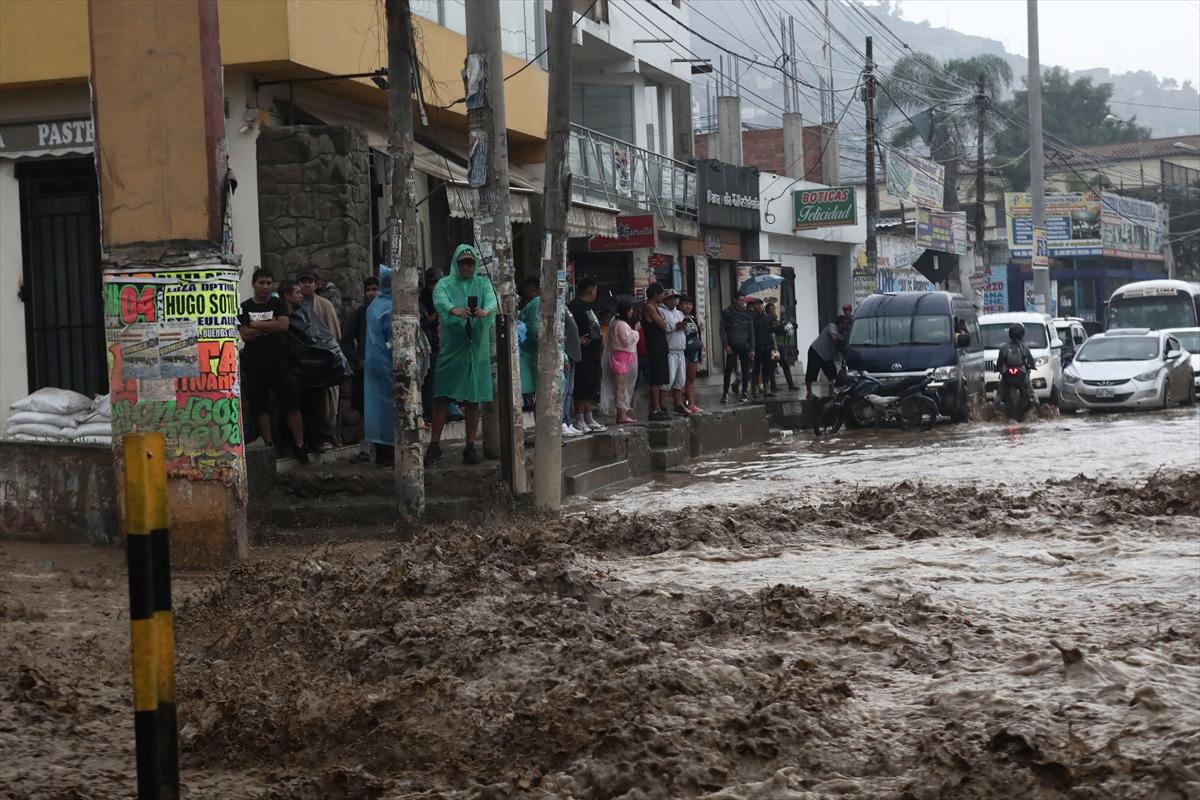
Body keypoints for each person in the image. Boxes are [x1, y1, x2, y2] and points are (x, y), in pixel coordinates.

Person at [427, 244, 496, 466]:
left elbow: (492, 301)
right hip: (452, 349)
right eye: (463, 262)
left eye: (470, 262)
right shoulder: (444, 284)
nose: (466, 266)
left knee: (472, 399)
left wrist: (485, 311)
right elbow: (440, 300)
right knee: (442, 396)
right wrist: (453, 310)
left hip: (477, 350)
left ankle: (470, 446)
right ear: (456, 264)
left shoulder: (483, 283)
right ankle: (434, 446)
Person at [239, 268, 307, 463]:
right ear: (254, 284)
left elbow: (283, 325)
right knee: (261, 407)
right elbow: (245, 334)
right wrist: (270, 325)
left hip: (279, 363)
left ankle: (300, 444)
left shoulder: (279, 304)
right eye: (262, 283)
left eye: (269, 283)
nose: (266, 287)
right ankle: (268, 444)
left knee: (291, 405)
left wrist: (257, 325)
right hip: (255, 365)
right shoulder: (244, 307)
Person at [298, 272, 342, 451]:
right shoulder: (296, 305)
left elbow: (334, 334)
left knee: (328, 401)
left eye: (310, 282)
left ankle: (329, 436)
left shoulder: (324, 305)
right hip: (302, 362)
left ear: (316, 285)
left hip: (323, 360)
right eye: (303, 281)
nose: (306, 285)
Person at [342, 275, 380, 462]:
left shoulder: (389, 312)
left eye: (375, 289)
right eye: (369, 289)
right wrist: (359, 361)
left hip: (386, 370)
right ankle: (365, 449)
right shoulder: (359, 314)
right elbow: (346, 342)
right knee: (366, 410)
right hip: (365, 371)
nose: (372, 293)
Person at [569, 279, 606, 432]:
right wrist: (576, 339)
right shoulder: (574, 307)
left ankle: (589, 416)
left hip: (594, 353)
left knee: (592, 385)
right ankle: (579, 418)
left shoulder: (591, 308)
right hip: (582, 353)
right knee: (581, 385)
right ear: (592, 291)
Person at [601, 299, 640, 424]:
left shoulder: (616, 323)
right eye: (630, 309)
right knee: (620, 388)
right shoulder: (621, 325)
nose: (632, 312)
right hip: (620, 358)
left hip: (620, 357)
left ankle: (621, 413)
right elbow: (627, 341)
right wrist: (636, 331)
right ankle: (621, 414)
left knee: (620, 387)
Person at [640, 283, 672, 420]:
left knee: (660, 378)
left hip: (660, 345)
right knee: (655, 378)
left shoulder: (656, 308)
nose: (663, 296)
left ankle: (658, 405)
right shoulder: (649, 307)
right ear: (656, 294)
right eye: (662, 293)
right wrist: (663, 321)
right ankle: (655, 408)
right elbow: (663, 325)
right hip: (654, 346)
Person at [720, 292, 755, 404]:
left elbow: (751, 332)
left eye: (743, 300)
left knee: (745, 370)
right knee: (728, 370)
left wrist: (752, 349)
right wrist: (726, 344)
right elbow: (722, 330)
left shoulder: (747, 313)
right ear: (734, 300)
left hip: (745, 346)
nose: (742, 303)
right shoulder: (727, 312)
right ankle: (725, 392)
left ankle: (744, 392)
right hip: (732, 345)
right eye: (740, 300)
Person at [419, 268, 444, 422]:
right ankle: (429, 411)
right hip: (427, 345)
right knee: (428, 381)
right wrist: (430, 320)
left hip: (436, 344)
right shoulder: (424, 300)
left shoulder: (440, 297)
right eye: (432, 283)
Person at [660, 289, 690, 416]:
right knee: (667, 381)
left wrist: (685, 327)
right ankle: (661, 405)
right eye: (671, 298)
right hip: (669, 351)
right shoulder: (661, 311)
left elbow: (686, 331)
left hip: (680, 351)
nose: (673, 301)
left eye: (675, 298)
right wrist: (674, 327)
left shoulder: (679, 313)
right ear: (665, 299)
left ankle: (678, 404)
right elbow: (663, 327)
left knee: (680, 380)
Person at [806, 314, 850, 398]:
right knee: (811, 373)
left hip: (827, 356)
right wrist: (842, 341)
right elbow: (834, 338)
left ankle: (831, 392)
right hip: (816, 351)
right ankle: (809, 393)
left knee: (832, 373)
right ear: (840, 324)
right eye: (845, 323)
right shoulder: (832, 326)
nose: (847, 326)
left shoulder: (844, 334)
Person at [996, 322, 1038, 409]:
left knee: (999, 393)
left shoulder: (1004, 347)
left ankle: (993, 409)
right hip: (1021, 373)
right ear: (1022, 334)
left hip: (1007, 373)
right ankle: (1036, 403)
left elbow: (999, 361)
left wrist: (997, 369)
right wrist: (1033, 366)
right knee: (1031, 391)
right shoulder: (1024, 347)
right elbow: (1031, 360)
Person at [517, 276, 541, 406]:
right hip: (528, 352)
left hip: (532, 352)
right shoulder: (533, 304)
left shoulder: (536, 303)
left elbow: (534, 328)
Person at [766, 302, 798, 393]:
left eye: (774, 309)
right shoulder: (769, 320)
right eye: (771, 309)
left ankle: (791, 384)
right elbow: (772, 332)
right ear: (768, 311)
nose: (773, 311)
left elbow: (782, 331)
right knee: (772, 367)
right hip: (774, 346)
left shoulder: (777, 319)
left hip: (780, 345)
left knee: (785, 365)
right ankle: (773, 386)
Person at [562, 305, 584, 437]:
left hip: (572, 355)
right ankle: (563, 422)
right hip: (566, 355)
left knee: (569, 391)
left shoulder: (565, 306)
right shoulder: (556, 306)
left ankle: (568, 422)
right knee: (563, 391)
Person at [679, 296, 703, 413]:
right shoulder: (678, 317)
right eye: (685, 304)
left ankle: (691, 404)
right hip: (682, 352)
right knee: (681, 380)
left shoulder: (693, 318)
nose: (688, 306)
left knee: (690, 380)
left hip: (694, 352)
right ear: (680, 305)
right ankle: (682, 404)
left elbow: (698, 336)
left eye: (690, 304)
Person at [750, 298, 775, 399]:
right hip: (757, 347)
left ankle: (766, 388)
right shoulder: (751, 318)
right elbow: (750, 334)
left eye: (760, 304)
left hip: (768, 346)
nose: (759, 306)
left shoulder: (768, 317)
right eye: (756, 305)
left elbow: (771, 331)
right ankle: (755, 388)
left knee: (767, 369)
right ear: (754, 307)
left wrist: (774, 346)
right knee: (756, 369)